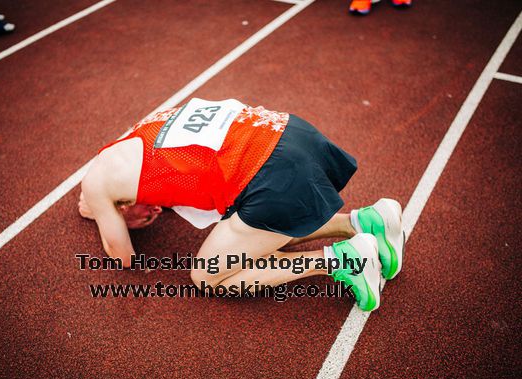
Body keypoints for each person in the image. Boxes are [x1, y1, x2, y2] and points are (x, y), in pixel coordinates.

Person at [79, 98, 405, 311]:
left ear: (117, 209)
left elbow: (122, 256)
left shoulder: (96, 185)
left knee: (207, 276)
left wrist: (98, 213)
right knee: (259, 234)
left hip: (273, 173)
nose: (156, 213)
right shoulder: (138, 134)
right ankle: (366, 221)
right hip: (291, 131)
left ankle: (340, 260)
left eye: (143, 218)